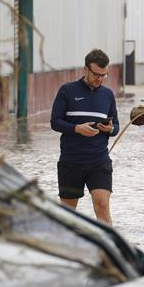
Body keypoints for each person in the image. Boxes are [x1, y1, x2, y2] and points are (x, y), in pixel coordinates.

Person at [50, 49, 120, 225]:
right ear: (85, 69)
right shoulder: (67, 90)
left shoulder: (108, 95)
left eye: (104, 75)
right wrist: (76, 128)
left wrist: (109, 129)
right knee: (67, 214)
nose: (99, 79)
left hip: (99, 160)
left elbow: (116, 127)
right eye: (96, 74)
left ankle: (108, 250)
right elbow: (55, 122)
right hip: (71, 161)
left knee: (102, 205)